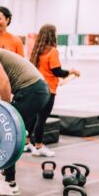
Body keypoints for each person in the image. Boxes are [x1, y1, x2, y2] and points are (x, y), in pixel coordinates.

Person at [0, 47, 50, 195]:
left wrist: (6, 115)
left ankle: (10, 183)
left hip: (32, 90)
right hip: (35, 90)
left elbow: (4, 82)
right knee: (5, 131)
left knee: (9, 134)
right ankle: (2, 172)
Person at [28, 24, 80, 157]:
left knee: (33, 117)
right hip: (48, 90)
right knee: (41, 119)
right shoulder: (52, 51)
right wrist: (72, 71)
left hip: (36, 88)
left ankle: (28, 143)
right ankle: (39, 146)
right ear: (53, 35)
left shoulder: (36, 50)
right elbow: (57, 71)